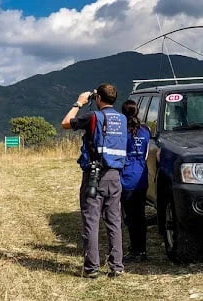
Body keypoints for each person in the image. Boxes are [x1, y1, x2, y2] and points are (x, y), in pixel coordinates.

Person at [61, 83, 127, 278]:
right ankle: (117, 266)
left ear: (98, 98)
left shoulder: (93, 117)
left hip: (95, 175)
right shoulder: (122, 119)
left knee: (91, 221)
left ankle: (92, 268)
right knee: (114, 221)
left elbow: (66, 123)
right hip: (115, 175)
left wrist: (79, 102)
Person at [120, 100, 150, 263]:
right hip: (141, 175)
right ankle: (142, 249)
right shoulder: (145, 130)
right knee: (140, 215)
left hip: (126, 177)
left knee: (130, 217)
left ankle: (135, 249)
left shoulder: (123, 132)